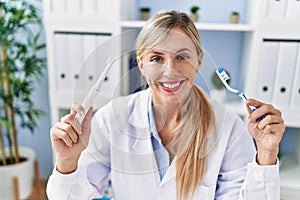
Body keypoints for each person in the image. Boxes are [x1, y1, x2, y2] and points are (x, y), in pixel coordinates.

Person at [46, 10, 285, 200]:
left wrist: (266, 153)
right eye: (156, 58)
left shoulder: (229, 127)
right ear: (141, 63)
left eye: (182, 57)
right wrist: (67, 162)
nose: (170, 71)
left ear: (198, 60)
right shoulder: (111, 118)